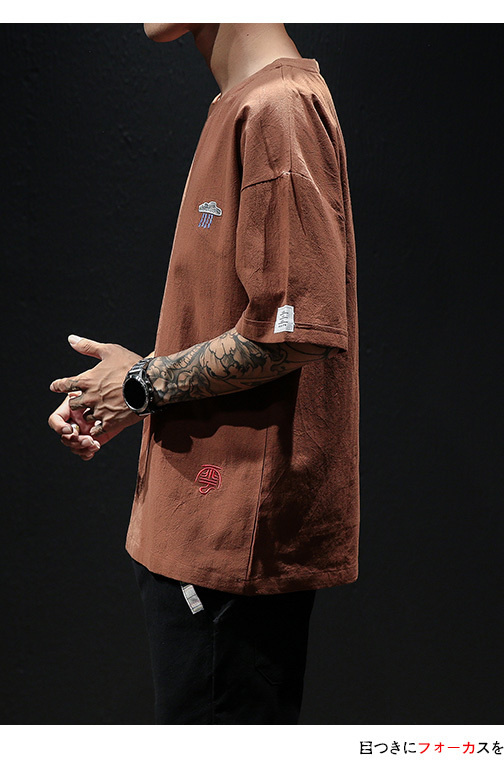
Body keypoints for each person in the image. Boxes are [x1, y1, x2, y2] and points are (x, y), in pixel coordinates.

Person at [47, 23, 359, 724]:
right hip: (203, 534)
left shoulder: (278, 106)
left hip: (231, 548)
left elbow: (293, 331)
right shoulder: (245, 103)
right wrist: (125, 393)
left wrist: (142, 384)